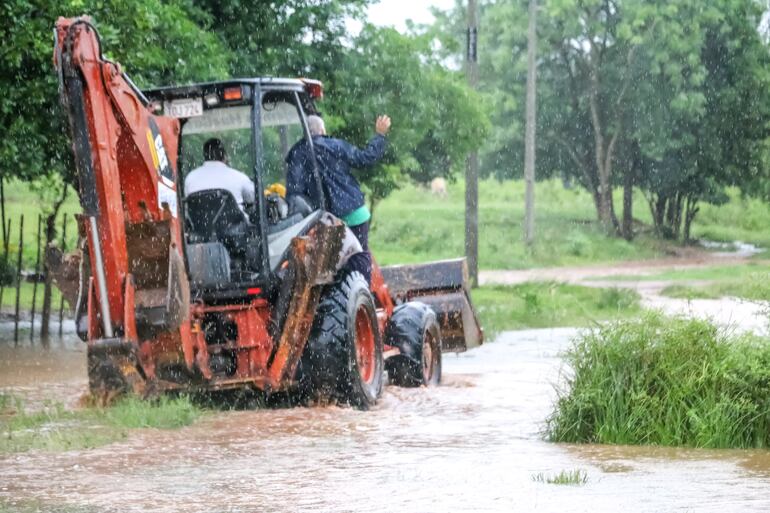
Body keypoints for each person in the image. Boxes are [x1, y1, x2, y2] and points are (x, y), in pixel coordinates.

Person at [286, 114, 391, 284]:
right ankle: (362, 293)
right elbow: (365, 159)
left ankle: (337, 296)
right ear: (322, 130)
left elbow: (294, 192)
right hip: (353, 212)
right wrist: (379, 136)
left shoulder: (297, 153)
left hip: (322, 219)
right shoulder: (335, 145)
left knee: (327, 266)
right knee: (358, 256)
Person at [184, 138, 255, 212]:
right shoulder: (239, 177)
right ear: (224, 156)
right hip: (234, 222)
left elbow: (187, 206)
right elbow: (254, 198)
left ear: (205, 156)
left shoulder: (190, 178)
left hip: (200, 223)